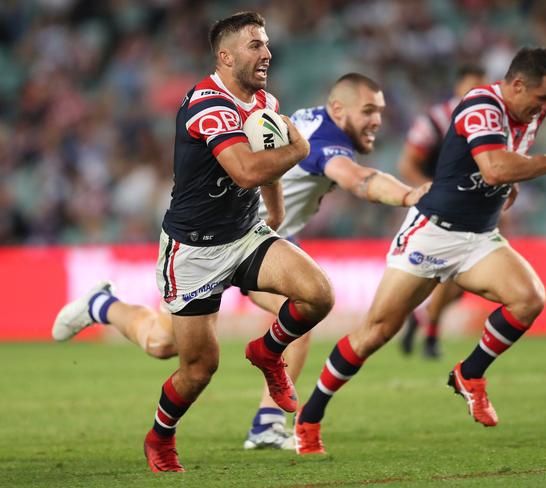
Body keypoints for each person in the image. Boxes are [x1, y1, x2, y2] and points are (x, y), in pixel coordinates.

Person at [52, 72, 430, 458]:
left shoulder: (304, 120)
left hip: (255, 238)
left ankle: (103, 305)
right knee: (188, 342)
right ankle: (266, 423)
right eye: (368, 110)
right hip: (218, 241)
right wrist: (410, 195)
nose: (377, 121)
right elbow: (358, 179)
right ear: (338, 108)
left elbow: (271, 168)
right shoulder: (323, 140)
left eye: (380, 111)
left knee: (165, 341)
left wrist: (277, 213)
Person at [53, 11, 334, 473]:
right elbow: (245, 168)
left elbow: (266, 159)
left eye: (266, 44)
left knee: (318, 294)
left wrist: (276, 210)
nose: (267, 52)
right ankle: (154, 425)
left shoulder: (263, 100)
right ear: (225, 57)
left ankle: (267, 351)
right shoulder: (209, 106)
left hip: (244, 237)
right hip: (195, 252)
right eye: (255, 45)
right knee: (188, 361)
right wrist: (299, 151)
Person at [294, 47, 546, 454]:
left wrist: (513, 179)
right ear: (518, 84)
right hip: (432, 233)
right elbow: (492, 167)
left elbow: (504, 162)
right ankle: (309, 417)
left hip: (478, 236)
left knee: (529, 299)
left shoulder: (530, 112)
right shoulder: (480, 105)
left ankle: (470, 374)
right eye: (542, 97)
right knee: (376, 333)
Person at [398, 64, 487, 359]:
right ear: (458, 87)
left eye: (481, 87)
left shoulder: (487, 120)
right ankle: (432, 337)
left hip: (471, 205)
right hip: (436, 207)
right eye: (472, 87)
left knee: (459, 285)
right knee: (448, 275)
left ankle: (421, 318)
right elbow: (407, 163)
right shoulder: (436, 120)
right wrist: (433, 189)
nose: (477, 94)